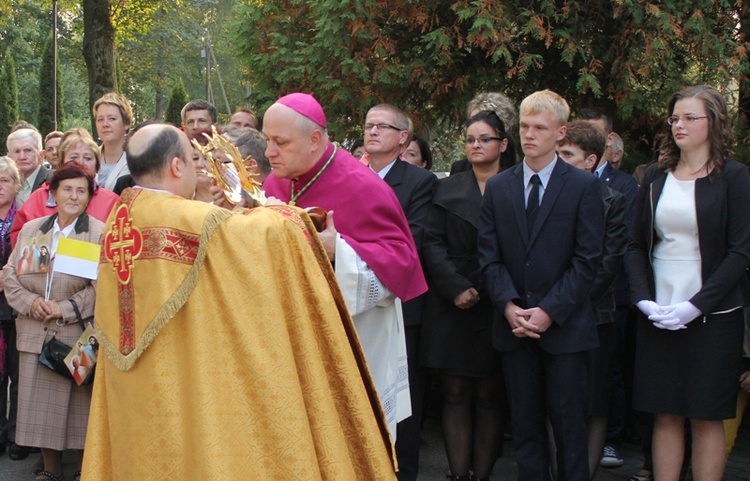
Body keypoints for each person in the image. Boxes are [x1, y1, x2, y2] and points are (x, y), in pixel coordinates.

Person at [82, 123, 397, 480]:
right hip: (186, 378)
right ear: (176, 166)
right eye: (192, 158)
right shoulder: (187, 218)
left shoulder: (119, 222)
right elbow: (263, 237)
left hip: (137, 384)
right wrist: (284, 212)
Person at [262, 93, 426, 439]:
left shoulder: (365, 186)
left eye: (280, 142)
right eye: (267, 141)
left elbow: (403, 264)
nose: (268, 153)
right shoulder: (277, 181)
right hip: (287, 344)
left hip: (353, 345)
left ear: (315, 140)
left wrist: (341, 249)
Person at [478, 90, 605, 481]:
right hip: (514, 326)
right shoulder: (500, 186)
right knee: (526, 429)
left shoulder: (582, 187)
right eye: (524, 127)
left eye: (540, 128)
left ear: (561, 132)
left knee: (569, 429)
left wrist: (549, 311)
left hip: (564, 329)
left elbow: (588, 260)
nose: (529, 135)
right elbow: (489, 255)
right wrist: (508, 305)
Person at [629, 85, 750, 481]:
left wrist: (696, 305)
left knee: (705, 416)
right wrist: (645, 301)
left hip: (713, 316)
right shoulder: (655, 177)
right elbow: (633, 246)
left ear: (713, 123)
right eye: (674, 118)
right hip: (660, 313)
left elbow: (740, 253)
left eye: (689, 118)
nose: (679, 125)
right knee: (664, 414)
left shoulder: (734, 177)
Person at [4, 163, 104, 481]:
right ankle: (50, 470)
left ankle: (83, 470)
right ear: (53, 193)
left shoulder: (97, 233)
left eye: (81, 190)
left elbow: (102, 285)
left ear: (89, 196)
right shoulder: (34, 230)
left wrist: (65, 308)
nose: (73, 196)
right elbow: (9, 275)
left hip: (80, 331)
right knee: (42, 409)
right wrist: (31, 303)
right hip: (35, 329)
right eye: (67, 189)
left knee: (81, 408)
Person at [422, 111, 508, 481]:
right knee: (454, 393)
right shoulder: (446, 188)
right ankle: (459, 474)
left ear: (503, 144)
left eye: (484, 138)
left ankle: (483, 474)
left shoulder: (516, 186)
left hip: (497, 302)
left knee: (490, 395)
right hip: (452, 303)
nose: (475, 145)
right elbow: (430, 244)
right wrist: (456, 287)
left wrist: (486, 287)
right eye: (470, 139)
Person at [364, 103, 437, 481]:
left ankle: (402, 472)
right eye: (368, 126)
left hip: (398, 306)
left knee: (401, 401)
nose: (372, 132)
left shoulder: (419, 182)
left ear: (403, 137)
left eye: (382, 127)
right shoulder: (351, 174)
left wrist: (347, 247)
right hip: (354, 304)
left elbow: (412, 239)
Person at [556, 120, 628, 478]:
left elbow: (607, 263)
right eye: (558, 153)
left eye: (567, 154)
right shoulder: (545, 192)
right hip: (549, 314)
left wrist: (564, 304)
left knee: (594, 403)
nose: (559, 160)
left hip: (594, 316)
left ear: (591, 161)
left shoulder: (613, 200)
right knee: (555, 403)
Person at [10, 129, 118, 246]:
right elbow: (19, 239)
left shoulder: (112, 201)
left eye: (88, 158)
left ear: (97, 166)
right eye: (73, 157)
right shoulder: (39, 197)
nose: (81, 163)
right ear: (62, 164)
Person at [0, 158, 23, 460]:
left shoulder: (26, 217)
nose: (0, 186)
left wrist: (8, 276)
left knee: (19, 375)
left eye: (5, 180)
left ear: (17, 185)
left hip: (17, 304)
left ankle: (18, 435)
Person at [451, 92, 518, 174]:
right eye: (473, 120)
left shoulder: (516, 173)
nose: (477, 125)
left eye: (485, 139)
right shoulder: (459, 170)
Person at [93, 92, 133, 191]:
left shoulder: (136, 160)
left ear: (127, 123)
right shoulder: (89, 157)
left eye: (112, 119)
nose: (105, 124)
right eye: (100, 119)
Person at [6, 129, 53, 207]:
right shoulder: (5, 184)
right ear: (9, 157)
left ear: (41, 155)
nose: (22, 157)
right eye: (17, 151)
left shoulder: (55, 181)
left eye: (28, 150)